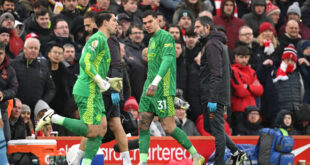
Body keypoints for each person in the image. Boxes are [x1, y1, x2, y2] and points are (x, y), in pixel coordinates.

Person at [35, 12, 121, 165]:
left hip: (95, 91)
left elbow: (95, 68)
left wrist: (109, 81)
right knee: (92, 130)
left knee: (101, 130)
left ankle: (79, 162)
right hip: (87, 90)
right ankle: (52, 117)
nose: (117, 24)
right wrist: (101, 81)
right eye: (114, 20)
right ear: (105, 23)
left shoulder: (104, 41)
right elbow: (84, 62)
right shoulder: (96, 40)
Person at [138, 10, 205, 165]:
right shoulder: (152, 40)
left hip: (162, 87)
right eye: (145, 23)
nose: (147, 25)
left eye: (150, 21)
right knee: (143, 124)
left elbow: (168, 60)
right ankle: (143, 161)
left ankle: (196, 155)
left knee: (169, 127)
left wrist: (156, 82)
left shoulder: (166, 37)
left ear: (158, 20)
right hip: (149, 88)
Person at [194, 16, 246, 165]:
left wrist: (213, 98)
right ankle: (236, 152)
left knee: (217, 132)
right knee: (208, 127)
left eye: (198, 27)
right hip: (213, 94)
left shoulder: (212, 45)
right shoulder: (216, 44)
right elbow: (226, 70)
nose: (195, 30)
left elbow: (217, 74)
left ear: (207, 27)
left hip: (214, 96)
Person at [11, 37, 55, 116]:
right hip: (16, 110)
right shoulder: (14, 64)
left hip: (35, 111)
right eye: (31, 48)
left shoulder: (43, 66)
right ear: (24, 49)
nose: (33, 50)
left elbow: (51, 89)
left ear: (39, 51)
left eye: (36, 48)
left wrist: (42, 102)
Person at [230, 46, 264, 134]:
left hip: (252, 109)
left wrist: (248, 87)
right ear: (236, 57)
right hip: (239, 110)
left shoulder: (252, 71)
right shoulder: (233, 70)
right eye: (241, 57)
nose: (244, 60)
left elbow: (260, 90)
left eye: (246, 57)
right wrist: (252, 88)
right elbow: (240, 91)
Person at [0, 41, 18, 142]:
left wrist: (3, 94)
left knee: (6, 139)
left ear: (4, 54)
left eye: (1, 53)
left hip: (2, 108)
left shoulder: (10, 70)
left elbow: (14, 89)